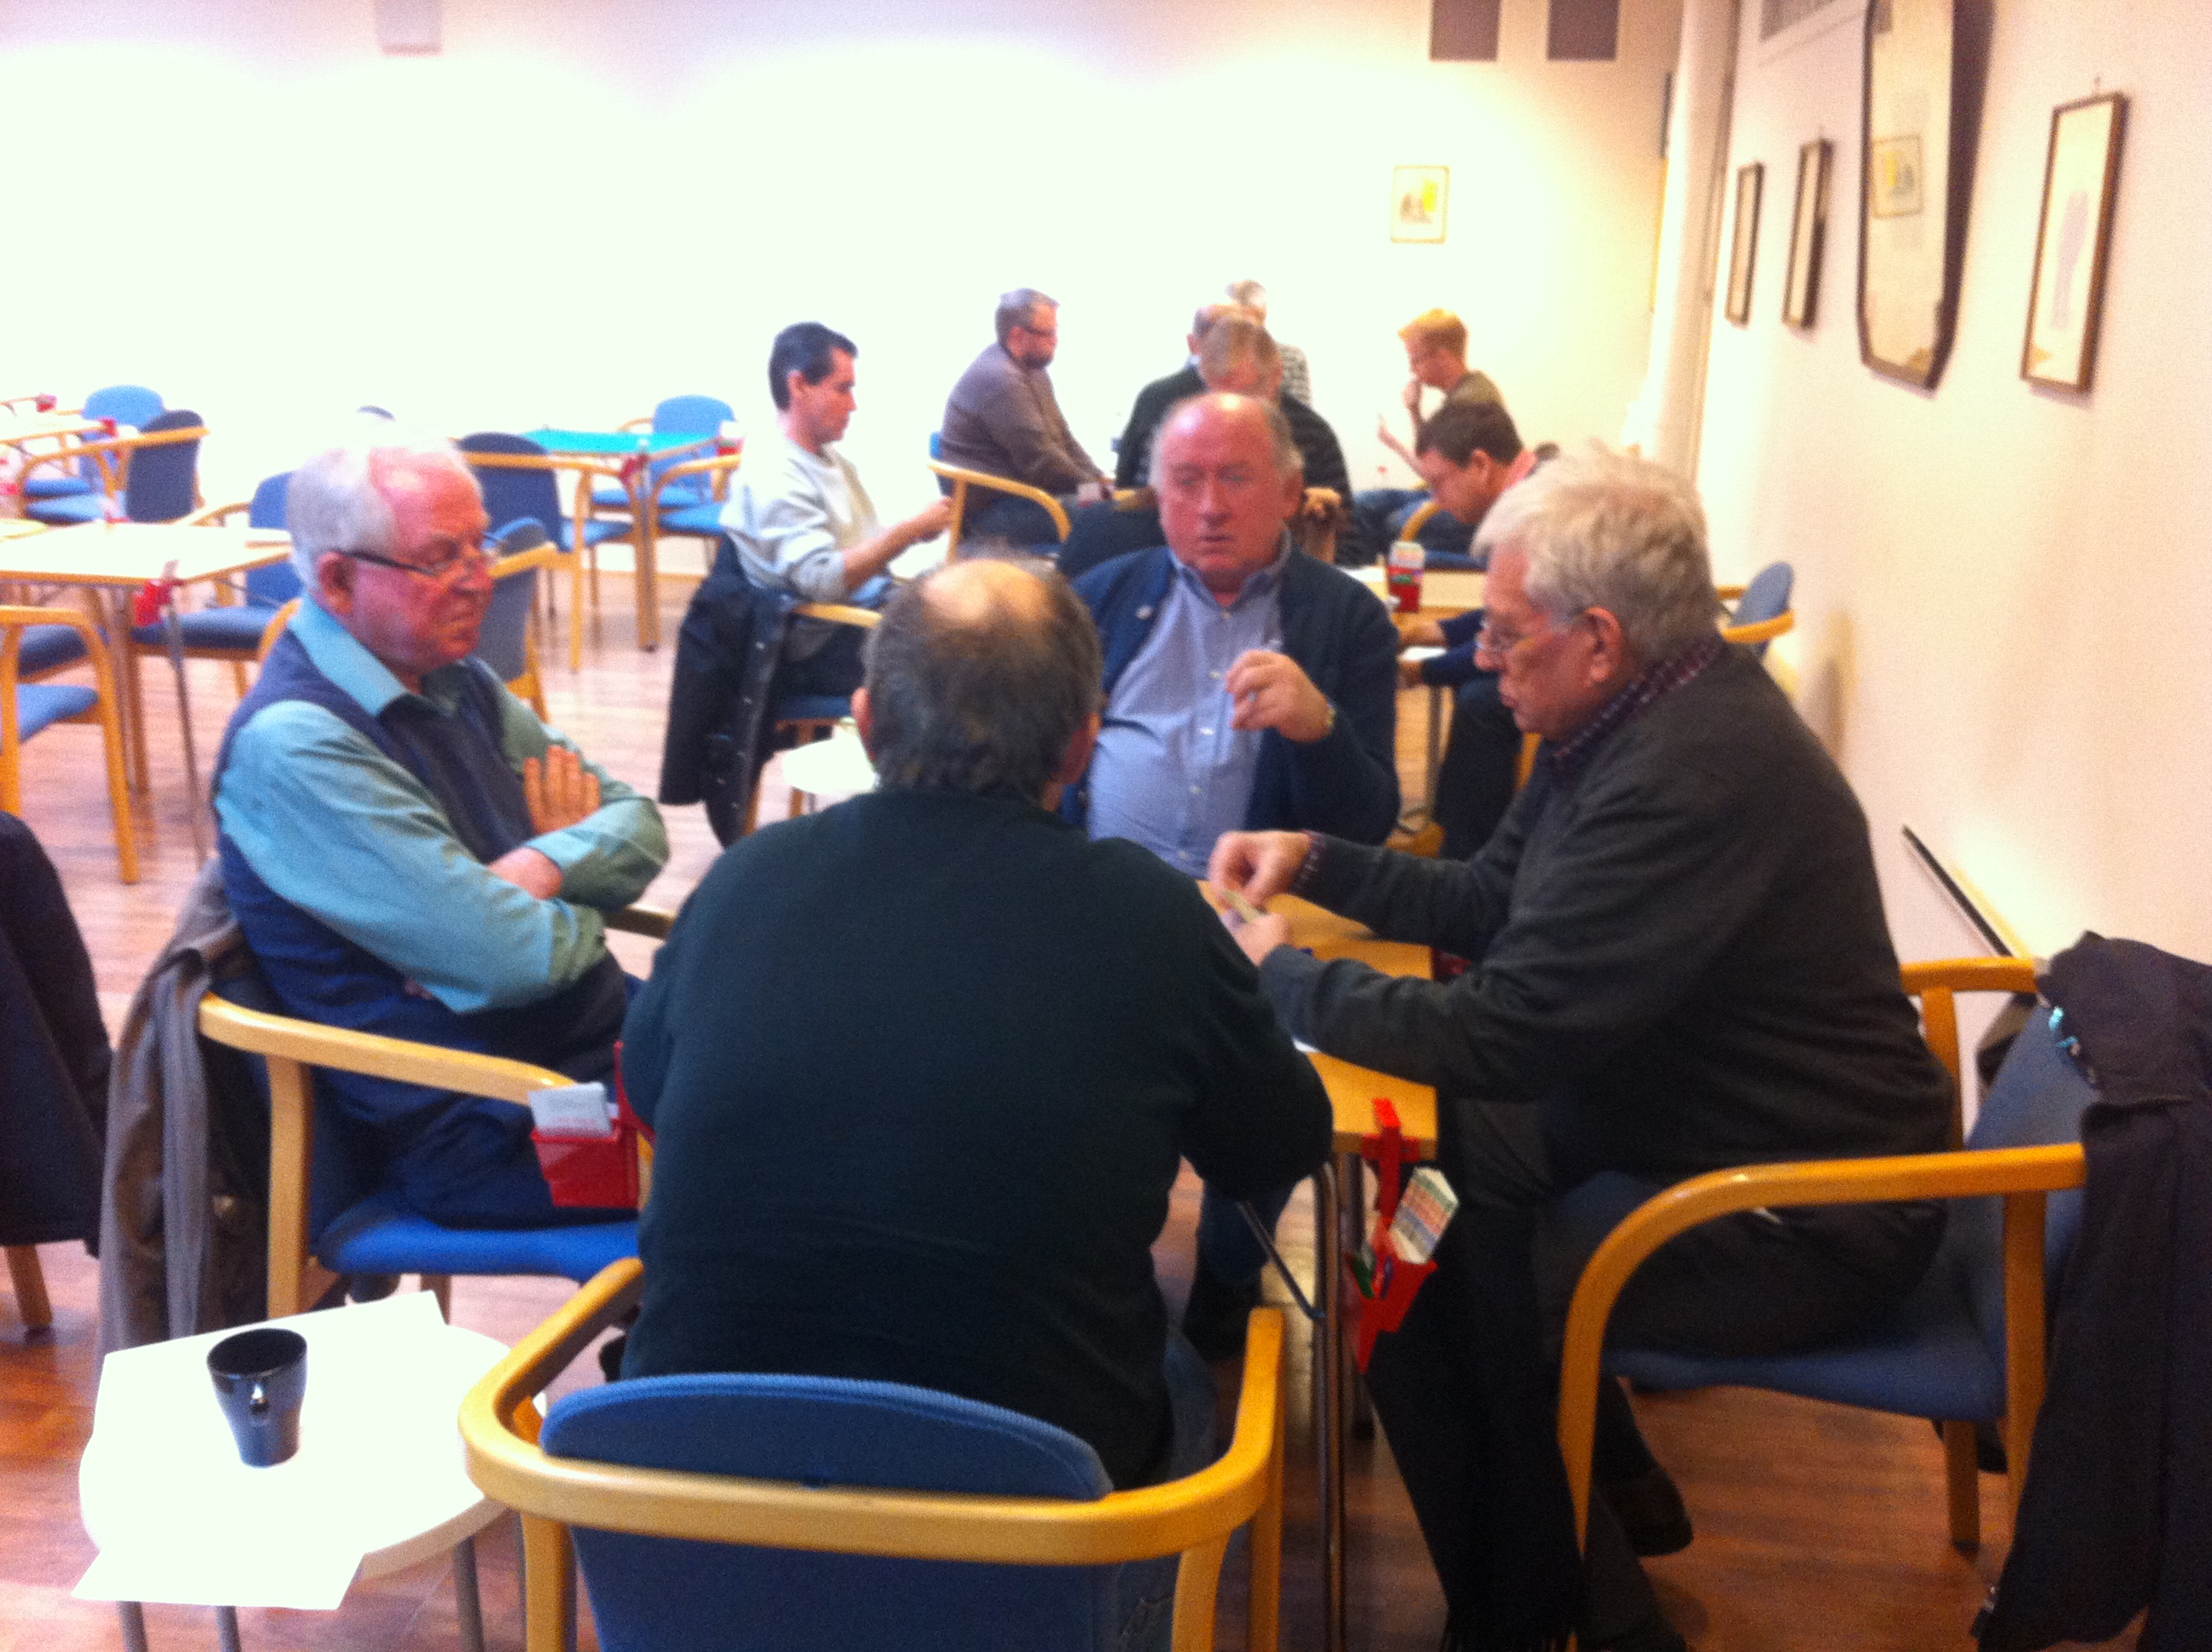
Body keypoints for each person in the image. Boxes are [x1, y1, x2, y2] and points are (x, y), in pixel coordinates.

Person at [1210, 447, 1953, 1652]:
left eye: (1508, 636)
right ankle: (1610, 1507)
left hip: (1806, 1211)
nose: (1485, 660)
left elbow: (1504, 1033)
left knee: (1414, 1294)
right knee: (1423, 1223)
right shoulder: (1626, 715)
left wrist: (1280, 976)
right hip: (1691, 1119)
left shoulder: (1687, 773)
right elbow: (1486, 900)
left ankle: (1559, 1616)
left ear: (1599, 639)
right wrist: (1319, 859)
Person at [620, 555, 1330, 1642]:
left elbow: (652, 1087)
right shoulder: (1152, 917)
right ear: (1083, 742)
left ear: (865, 721)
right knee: (1188, 1372)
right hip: (1027, 1534)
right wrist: (1244, 979)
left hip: (689, 1525)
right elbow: (1281, 1141)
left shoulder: (743, 881)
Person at [212, 429, 668, 1229]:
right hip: (501, 1123)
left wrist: (535, 870)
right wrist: (566, 890)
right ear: (339, 579)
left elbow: (641, 826)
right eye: (440, 559)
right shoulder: (296, 746)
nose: (481, 579)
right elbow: (511, 960)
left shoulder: (458, 680)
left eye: (480, 545)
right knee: (785, 1161)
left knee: (815, 1079)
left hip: (594, 1052)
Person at [1068, 391, 1400, 1355]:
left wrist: (1319, 726)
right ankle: (1092, 1263)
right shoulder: (1099, 598)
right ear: (1156, 496)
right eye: (1186, 481)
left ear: (1291, 493)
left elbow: (1369, 827)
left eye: (1235, 479)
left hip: (1258, 928)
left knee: (1265, 1100)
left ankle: (1227, 1267)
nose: (1209, 505)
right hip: (1101, 911)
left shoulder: (1347, 620)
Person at [725, 322, 953, 696]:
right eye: (843, 389)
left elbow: (851, 550)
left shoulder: (822, 456)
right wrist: (908, 532)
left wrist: (913, 530)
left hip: (852, 616)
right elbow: (823, 581)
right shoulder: (774, 473)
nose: (853, 404)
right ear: (799, 386)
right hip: (819, 646)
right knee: (965, 654)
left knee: (971, 619)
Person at [1395, 398, 1541, 857]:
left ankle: (1464, 851)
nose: (1435, 499)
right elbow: (1504, 617)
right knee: (1477, 690)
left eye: (1439, 482)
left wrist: (1419, 672)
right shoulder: (1534, 492)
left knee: (1483, 700)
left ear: (1480, 464)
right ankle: (1457, 833)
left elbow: (1512, 638)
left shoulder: (1534, 516)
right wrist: (1426, 634)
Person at [938, 287, 1110, 545]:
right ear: (1018, 335)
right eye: (1048, 333)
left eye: (1056, 331)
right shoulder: (1000, 380)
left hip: (1029, 493)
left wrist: (1099, 480)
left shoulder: (1032, 370)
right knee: (1111, 517)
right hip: (996, 511)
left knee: (1117, 508)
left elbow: (1064, 439)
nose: (1056, 340)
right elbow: (1042, 464)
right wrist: (1102, 493)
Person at [1196, 313, 1366, 566]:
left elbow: (1350, 548)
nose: (1230, 412)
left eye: (1245, 395)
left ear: (1276, 377)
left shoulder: (1312, 436)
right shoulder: (1189, 433)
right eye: (1217, 397)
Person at [1352, 307, 1507, 560]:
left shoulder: (1471, 402)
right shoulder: (1464, 392)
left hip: (1472, 510)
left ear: (1443, 357)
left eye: (1416, 360)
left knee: (1392, 524)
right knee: (1362, 504)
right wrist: (1413, 412)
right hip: (1446, 494)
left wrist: (1406, 426)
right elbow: (1434, 462)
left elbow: (1431, 471)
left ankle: (1386, 580)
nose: (1412, 369)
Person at [1111, 300, 1249, 491]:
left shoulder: (1154, 395)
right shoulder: (1265, 397)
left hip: (1154, 505)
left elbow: (1125, 475)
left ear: (1192, 343)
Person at [1225, 278, 1312, 404]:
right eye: (1236, 314)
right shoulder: (1210, 357)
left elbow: (1301, 412)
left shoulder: (1292, 357)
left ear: (1263, 312)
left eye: (1249, 314)